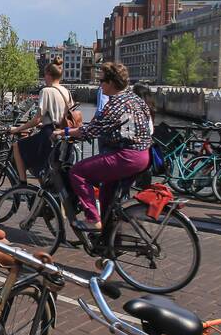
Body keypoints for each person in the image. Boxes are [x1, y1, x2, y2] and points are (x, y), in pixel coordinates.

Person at [53, 62, 151, 228]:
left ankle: (93, 219)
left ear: (111, 83)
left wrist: (65, 132)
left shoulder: (114, 105)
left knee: (78, 172)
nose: (100, 84)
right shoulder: (135, 99)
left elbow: (91, 131)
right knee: (107, 194)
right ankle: (110, 239)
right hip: (144, 155)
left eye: (102, 81)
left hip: (127, 156)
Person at [10, 58, 77, 182]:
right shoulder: (66, 91)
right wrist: (44, 123)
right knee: (43, 169)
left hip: (48, 135)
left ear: (49, 75)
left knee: (17, 146)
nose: (44, 78)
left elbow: (36, 119)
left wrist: (17, 129)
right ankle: (43, 196)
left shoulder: (46, 91)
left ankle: (22, 185)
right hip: (61, 135)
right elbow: (65, 115)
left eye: (44, 75)